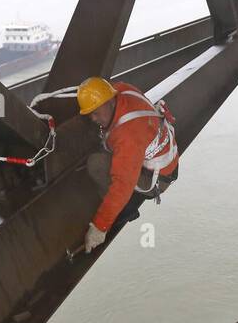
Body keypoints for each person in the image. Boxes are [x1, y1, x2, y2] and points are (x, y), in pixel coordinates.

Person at [75, 76, 179, 254]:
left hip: (157, 178)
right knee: (112, 153)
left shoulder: (128, 136)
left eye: (95, 113)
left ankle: (126, 208)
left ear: (108, 101)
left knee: (96, 164)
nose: (93, 119)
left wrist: (100, 227)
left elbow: (122, 185)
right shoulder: (121, 90)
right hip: (166, 158)